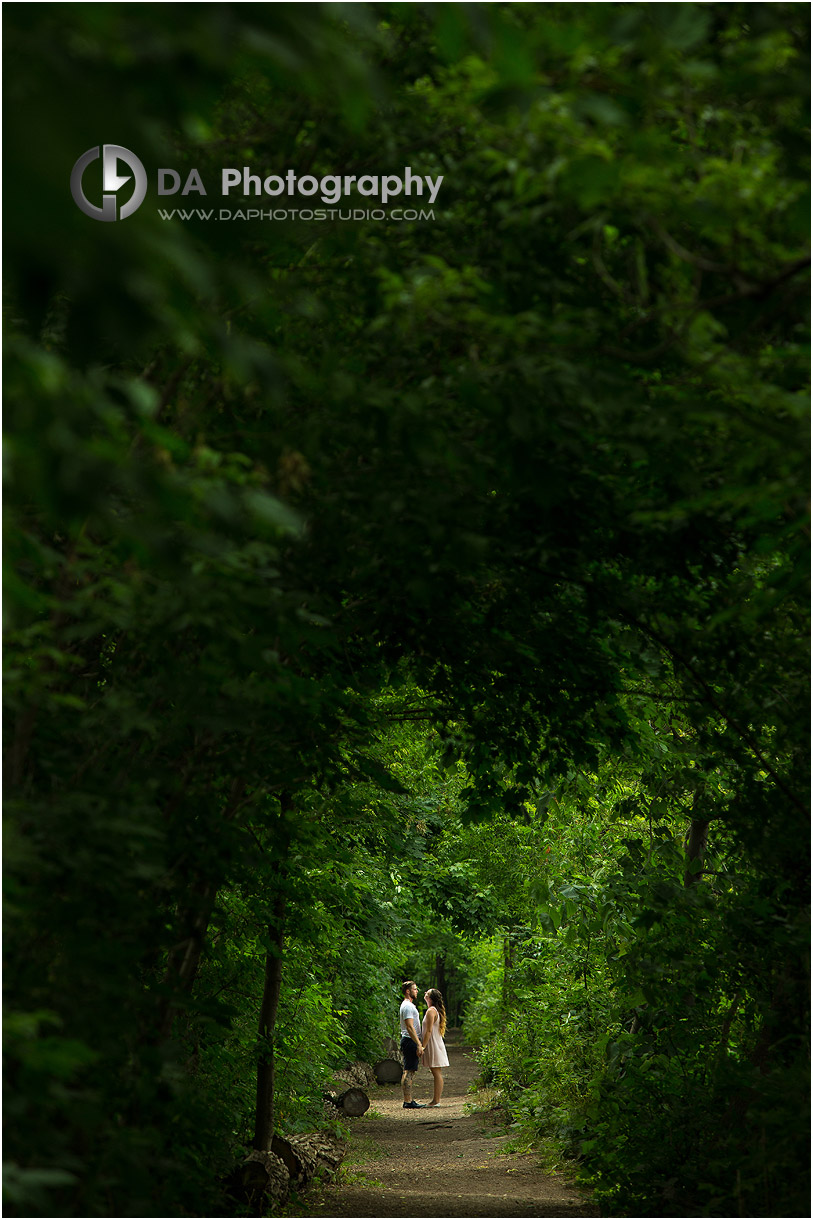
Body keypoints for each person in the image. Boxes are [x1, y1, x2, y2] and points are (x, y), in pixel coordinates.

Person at [399, 979, 425, 1109]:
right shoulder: (408, 1006)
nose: (417, 991)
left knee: (409, 1070)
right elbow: (410, 1027)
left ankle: (408, 1100)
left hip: (409, 1040)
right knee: (409, 1070)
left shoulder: (407, 1005)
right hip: (410, 1040)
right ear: (408, 991)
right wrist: (418, 1044)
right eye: (415, 989)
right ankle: (408, 1101)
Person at [421, 987, 449, 1106]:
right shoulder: (433, 1010)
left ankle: (436, 1100)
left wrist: (422, 1046)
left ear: (429, 998)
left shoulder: (431, 1011)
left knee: (436, 1073)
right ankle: (435, 1100)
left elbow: (428, 1031)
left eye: (427, 993)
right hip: (435, 1043)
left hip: (433, 1044)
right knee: (436, 1072)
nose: (424, 993)